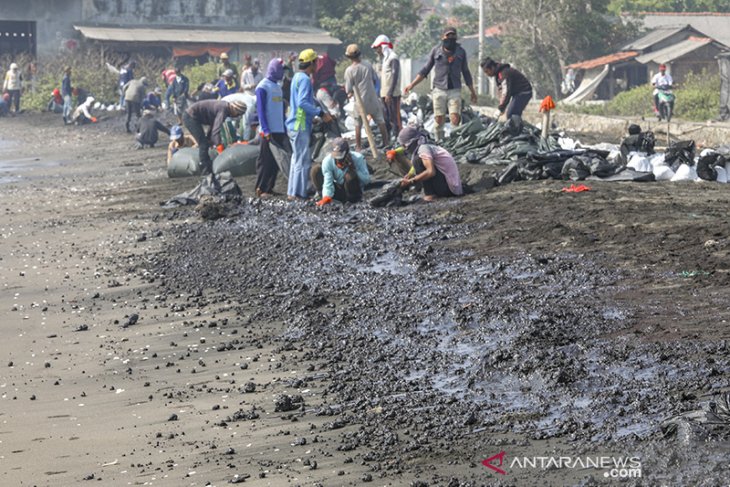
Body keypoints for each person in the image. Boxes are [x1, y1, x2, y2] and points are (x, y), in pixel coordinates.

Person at [403, 27, 477, 141]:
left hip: (454, 90)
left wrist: (472, 91)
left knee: (455, 117)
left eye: (453, 36)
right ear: (443, 37)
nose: (450, 39)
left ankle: (454, 141)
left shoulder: (461, 52)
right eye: (448, 36)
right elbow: (425, 70)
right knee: (438, 119)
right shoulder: (436, 51)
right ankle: (440, 141)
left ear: (456, 37)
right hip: (439, 89)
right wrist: (412, 85)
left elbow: (466, 72)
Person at [285, 48, 333, 200]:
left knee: (296, 159)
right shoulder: (305, 79)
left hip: (296, 122)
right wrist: (320, 113)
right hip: (299, 125)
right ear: (311, 63)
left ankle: (292, 192)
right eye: (316, 62)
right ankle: (299, 193)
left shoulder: (297, 77)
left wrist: (311, 116)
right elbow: (303, 103)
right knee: (303, 160)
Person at [397, 126, 463, 201]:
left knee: (417, 160)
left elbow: (431, 172)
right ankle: (429, 192)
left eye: (404, 145)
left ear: (411, 142)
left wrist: (411, 181)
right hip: (452, 187)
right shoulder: (425, 147)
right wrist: (410, 175)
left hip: (449, 189)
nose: (404, 148)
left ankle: (430, 194)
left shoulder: (423, 149)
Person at [183, 98, 247, 175]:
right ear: (235, 109)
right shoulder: (224, 110)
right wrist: (219, 147)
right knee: (203, 144)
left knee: (207, 142)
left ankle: (207, 163)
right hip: (190, 117)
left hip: (194, 116)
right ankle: (204, 168)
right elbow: (216, 131)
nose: (236, 116)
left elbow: (213, 125)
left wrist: (211, 139)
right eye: (238, 114)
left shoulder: (224, 107)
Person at [343, 44, 389, 152]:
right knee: (380, 121)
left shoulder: (349, 71)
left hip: (360, 102)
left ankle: (358, 147)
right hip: (372, 98)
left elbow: (348, 90)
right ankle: (386, 142)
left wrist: (350, 93)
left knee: (358, 124)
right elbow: (374, 79)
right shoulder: (368, 65)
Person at [255, 58, 289, 198]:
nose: (283, 73)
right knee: (265, 160)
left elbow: (280, 109)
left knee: (276, 161)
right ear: (275, 70)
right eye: (281, 70)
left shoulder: (277, 86)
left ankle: (269, 188)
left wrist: (284, 126)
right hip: (268, 131)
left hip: (279, 128)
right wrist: (266, 129)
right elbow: (261, 111)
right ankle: (260, 188)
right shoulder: (262, 87)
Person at [312, 138, 371, 205]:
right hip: (338, 189)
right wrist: (326, 196)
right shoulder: (328, 161)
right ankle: (321, 195)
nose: (338, 161)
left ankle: (352, 200)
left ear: (347, 152)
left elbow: (367, 180)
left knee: (350, 175)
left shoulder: (358, 158)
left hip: (354, 191)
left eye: (340, 158)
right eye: (336, 158)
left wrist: (354, 169)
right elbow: (328, 182)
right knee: (315, 170)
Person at [372, 34, 402, 138]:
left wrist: (390, 93)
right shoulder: (385, 59)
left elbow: (394, 76)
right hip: (384, 94)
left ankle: (398, 138)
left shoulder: (393, 58)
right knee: (386, 117)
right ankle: (389, 139)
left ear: (383, 46)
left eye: (378, 48)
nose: (377, 51)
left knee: (395, 117)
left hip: (393, 94)